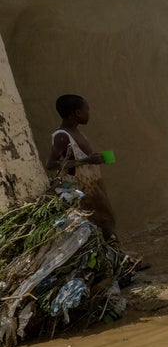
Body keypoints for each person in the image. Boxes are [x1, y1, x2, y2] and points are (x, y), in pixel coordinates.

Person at [47, 94, 119, 243]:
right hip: (80, 190)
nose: (89, 113)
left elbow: (82, 159)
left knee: (106, 220)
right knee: (101, 224)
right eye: (87, 110)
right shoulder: (62, 136)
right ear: (77, 112)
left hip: (93, 186)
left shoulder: (78, 133)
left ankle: (116, 259)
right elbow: (51, 165)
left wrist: (96, 159)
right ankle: (119, 260)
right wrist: (85, 160)